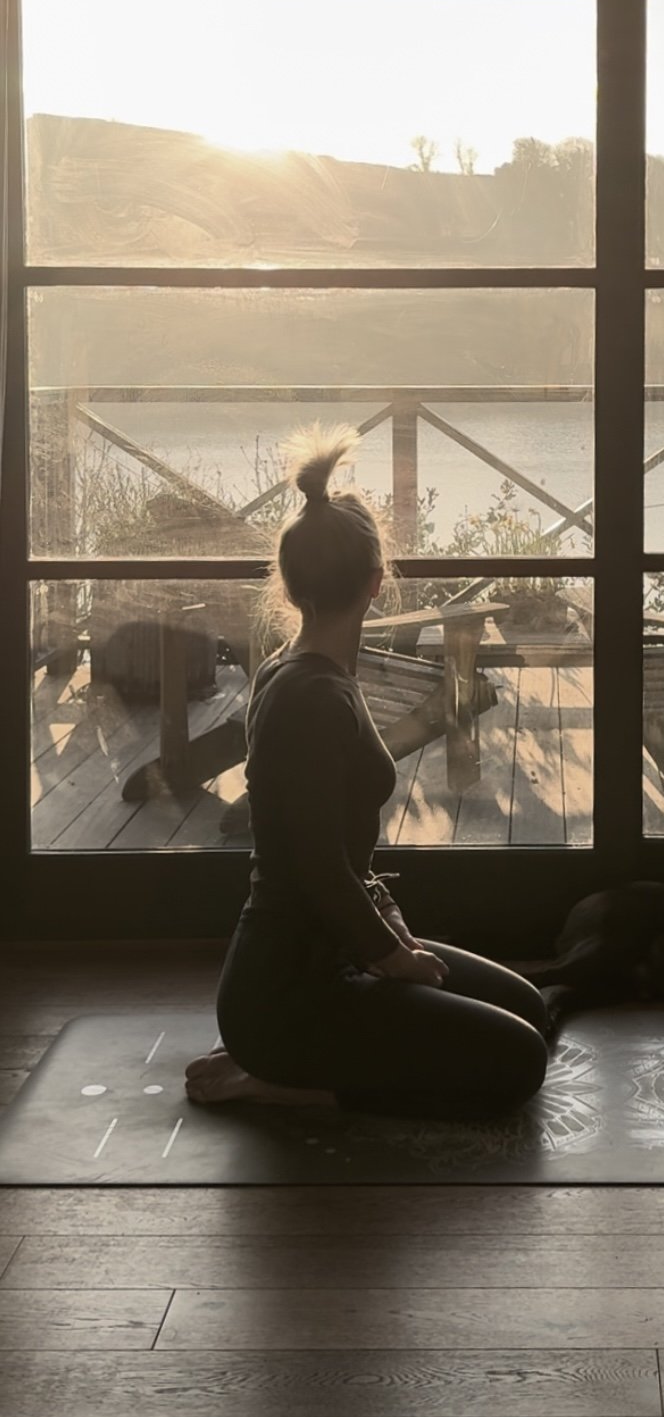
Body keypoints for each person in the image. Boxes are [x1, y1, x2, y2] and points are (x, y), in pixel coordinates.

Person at [184, 425, 549, 1119]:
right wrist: (390, 955)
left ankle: (302, 1051)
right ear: (377, 583)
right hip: (288, 990)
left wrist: (389, 925)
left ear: (290, 585)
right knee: (519, 1060)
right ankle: (278, 1078)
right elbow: (317, 865)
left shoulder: (311, 675)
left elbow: (340, 852)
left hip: (334, 947)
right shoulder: (307, 696)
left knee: (528, 1006)